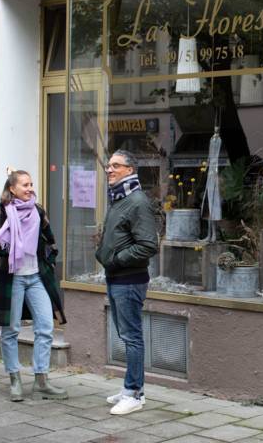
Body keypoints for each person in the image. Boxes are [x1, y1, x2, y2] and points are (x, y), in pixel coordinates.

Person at [0, 169, 68, 402]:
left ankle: (41, 380)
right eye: (25, 185)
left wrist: (47, 260)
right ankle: (15, 379)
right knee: (11, 330)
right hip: (12, 279)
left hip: (36, 277)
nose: (30, 189)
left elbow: (51, 243)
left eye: (31, 184)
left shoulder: (39, 212)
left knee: (46, 327)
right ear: (12, 189)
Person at [96, 150, 158, 415]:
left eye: (116, 166)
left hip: (129, 280)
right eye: (108, 165)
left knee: (132, 337)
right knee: (126, 335)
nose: (109, 170)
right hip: (116, 278)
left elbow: (148, 245)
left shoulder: (137, 201)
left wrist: (117, 258)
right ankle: (132, 389)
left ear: (130, 170)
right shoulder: (120, 199)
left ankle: (133, 394)